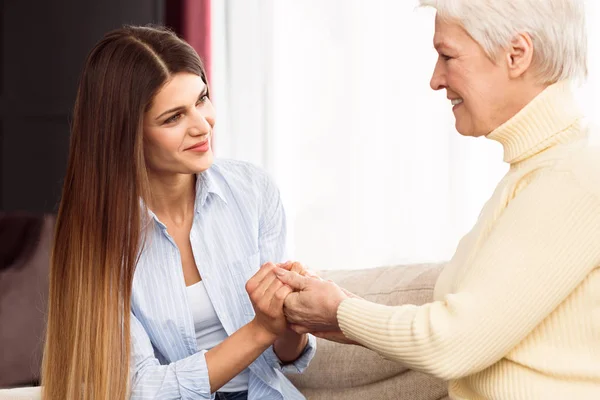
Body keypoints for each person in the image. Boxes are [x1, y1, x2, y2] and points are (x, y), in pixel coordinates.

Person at [275, 0, 600, 398]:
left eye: (447, 55)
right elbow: (472, 327)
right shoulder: (539, 170)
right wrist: (340, 311)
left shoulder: (571, 178)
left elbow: (453, 344)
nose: (435, 79)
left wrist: (339, 311)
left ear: (517, 55)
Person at [41, 25, 315, 400]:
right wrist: (260, 329)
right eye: (173, 118)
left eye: (201, 99)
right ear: (126, 136)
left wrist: (291, 316)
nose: (203, 126)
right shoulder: (96, 238)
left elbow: (287, 357)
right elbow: (141, 388)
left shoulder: (252, 190)